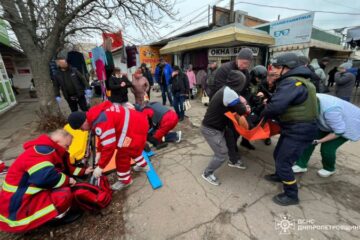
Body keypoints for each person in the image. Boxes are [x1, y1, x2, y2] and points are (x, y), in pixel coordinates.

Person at [0, 129, 93, 233]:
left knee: (64, 186)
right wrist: (68, 180)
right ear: (57, 142)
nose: (68, 148)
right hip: (18, 207)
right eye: (67, 145)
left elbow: (65, 168)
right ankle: (54, 218)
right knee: (63, 194)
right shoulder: (41, 153)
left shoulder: (48, 150)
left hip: (19, 200)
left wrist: (84, 172)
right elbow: (45, 178)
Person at [261, 52, 318, 206]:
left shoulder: (292, 82)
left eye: (278, 67)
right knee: (278, 153)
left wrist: (260, 114)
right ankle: (280, 176)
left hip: (299, 129)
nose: (276, 70)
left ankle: (291, 194)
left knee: (284, 162)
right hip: (294, 128)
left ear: (288, 67)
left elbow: (276, 107)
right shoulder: (303, 81)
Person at [67, 101, 149, 191]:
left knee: (122, 155)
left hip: (135, 129)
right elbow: (103, 137)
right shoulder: (95, 114)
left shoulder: (100, 122)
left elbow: (109, 146)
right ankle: (143, 165)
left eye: (81, 128)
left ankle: (125, 181)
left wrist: (101, 167)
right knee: (132, 148)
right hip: (138, 123)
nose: (83, 131)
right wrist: (99, 152)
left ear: (84, 121)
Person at [293, 94, 360, 177]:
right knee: (309, 139)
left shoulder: (331, 111)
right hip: (329, 122)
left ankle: (329, 168)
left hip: (347, 125)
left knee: (327, 148)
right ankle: (301, 164)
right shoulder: (309, 98)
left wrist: (318, 141)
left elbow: (338, 132)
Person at [201, 70, 249, 186]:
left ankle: (233, 160)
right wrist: (245, 105)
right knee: (222, 153)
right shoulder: (229, 93)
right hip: (211, 129)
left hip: (220, 126)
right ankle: (207, 173)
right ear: (239, 83)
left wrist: (240, 100)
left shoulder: (226, 89)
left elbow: (233, 106)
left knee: (231, 137)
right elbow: (243, 111)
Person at [212, 48, 256, 167]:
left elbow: (245, 89)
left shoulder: (246, 73)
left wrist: (245, 102)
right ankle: (230, 154)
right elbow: (219, 88)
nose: (244, 65)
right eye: (242, 62)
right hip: (221, 105)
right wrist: (238, 97)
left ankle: (232, 149)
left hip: (235, 105)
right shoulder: (224, 69)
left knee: (234, 129)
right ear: (237, 59)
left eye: (247, 64)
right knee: (226, 130)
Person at [248, 65, 272, 145]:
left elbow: (265, 92)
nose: (259, 80)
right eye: (258, 78)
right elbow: (245, 96)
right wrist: (254, 97)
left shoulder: (259, 83)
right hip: (248, 106)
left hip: (257, 106)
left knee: (264, 119)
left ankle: (265, 136)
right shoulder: (247, 83)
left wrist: (264, 97)